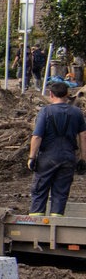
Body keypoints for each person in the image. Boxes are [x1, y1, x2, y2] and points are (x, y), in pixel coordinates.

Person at [27, 81, 86, 216]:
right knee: (60, 193)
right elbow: (83, 136)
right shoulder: (77, 113)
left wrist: (32, 157)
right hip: (68, 157)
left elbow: (37, 137)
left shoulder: (45, 112)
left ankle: (36, 227)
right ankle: (57, 226)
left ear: (51, 94)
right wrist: (83, 158)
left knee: (39, 191)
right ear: (67, 95)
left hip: (48, 157)